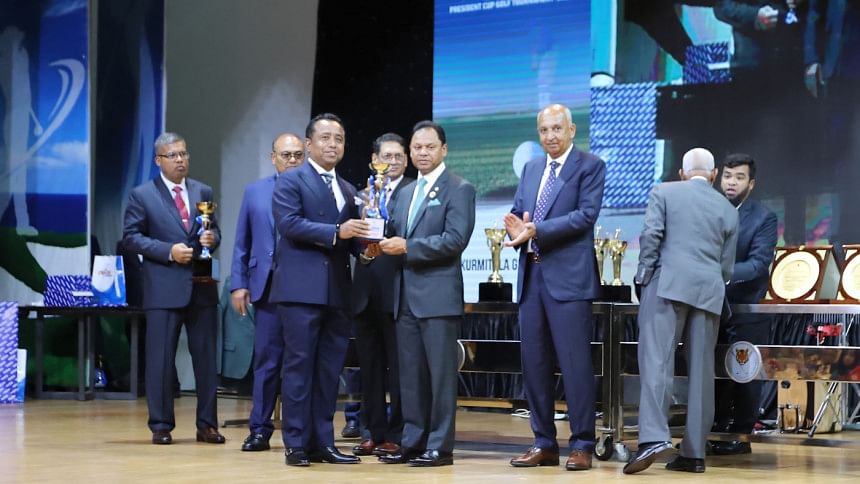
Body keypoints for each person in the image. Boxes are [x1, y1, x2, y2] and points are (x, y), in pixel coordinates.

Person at [504, 104, 606, 471]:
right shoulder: (532, 168)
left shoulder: (590, 166)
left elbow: (585, 216)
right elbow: (520, 211)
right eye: (544, 130)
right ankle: (543, 443)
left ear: (572, 130)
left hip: (570, 282)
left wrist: (537, 230)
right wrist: (515, 228)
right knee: (534, 365)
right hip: (531, 279)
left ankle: (582, 444)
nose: (550, 135)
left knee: (575, 365)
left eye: (557, 128)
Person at [624, 148, 738, 474]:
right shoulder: (728, 208)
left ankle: (653, 438)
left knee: (657, 361)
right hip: (709, 291)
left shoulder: (664, 191)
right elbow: (726, 266)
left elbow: (651, 236)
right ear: (714, 175)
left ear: (682, 173)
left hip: (668, 285)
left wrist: (643, 276)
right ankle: (694, 452)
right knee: (702, 371)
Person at [269, 113, 372, 467]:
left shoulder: (349, 189)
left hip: (337, 293)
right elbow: (289, 224)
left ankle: (323, 442)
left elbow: (353, 240)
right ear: (309, 143)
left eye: (338, 139)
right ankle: (296, 443)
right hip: (300, 292)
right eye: (325, 138)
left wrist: (367, 249)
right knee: (299, 368)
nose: (333, 144)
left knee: (329, 371)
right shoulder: (291, 180)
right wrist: (336, 232)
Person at [377, 120, 476, 467]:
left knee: (440, 378)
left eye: (429, 147)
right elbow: (389, 232)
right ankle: (412, 440)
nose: (422, 153)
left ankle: (440, 446)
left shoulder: (459, 188)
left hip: (437, 298)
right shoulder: (404, 192)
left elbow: (455, 240)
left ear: (443, 150)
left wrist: (408, 247)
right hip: (404, 297)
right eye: (417, 147)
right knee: (410, 376)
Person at [122, 132, 225, 445]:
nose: (180, 160)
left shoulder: (202, 190)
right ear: (158, 160)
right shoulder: (142, 195)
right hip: (164, 287)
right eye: (173, 155)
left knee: (206, 360)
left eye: (184, 154)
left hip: (202, 287)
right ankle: (161, 424)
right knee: (161, 360)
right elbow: (131, 238)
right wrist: (168, 251)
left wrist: (212, 239)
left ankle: (207, 425)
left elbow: (213, 231)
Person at [231, 132, 305, 451]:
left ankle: (300, 433)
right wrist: (239, 283)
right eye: (286, 155)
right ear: (273, 158)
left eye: (298, 155)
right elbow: (242, 241)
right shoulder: (255, 191)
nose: (292, 160)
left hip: (304, 288)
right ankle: (259, 429)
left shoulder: (313, 190)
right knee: (266, 362)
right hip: (267, 287)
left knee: (300, 363)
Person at [350, 133, 413, 457]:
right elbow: (351, 239)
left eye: (399, 156)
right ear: (374, 160)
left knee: (399, 370)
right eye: (387, 156)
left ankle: (397, 433)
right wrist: (361, 250)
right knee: (369, 368)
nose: (393, 162)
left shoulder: (413, 191)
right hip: (364, 292)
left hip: (398, 291)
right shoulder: (362, 195)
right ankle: (371, 431)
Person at [710, 154, 777, 455]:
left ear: (751, 184)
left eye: (739, 177)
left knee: (745, 374)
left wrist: (719, 273)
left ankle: (741, 434)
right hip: (712, 306)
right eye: (727, 176)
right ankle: (716, 429)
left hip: (747, 308)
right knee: (715, 373)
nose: (731, 183)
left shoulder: (763, 217)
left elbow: (758, 264)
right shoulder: (709, 210)